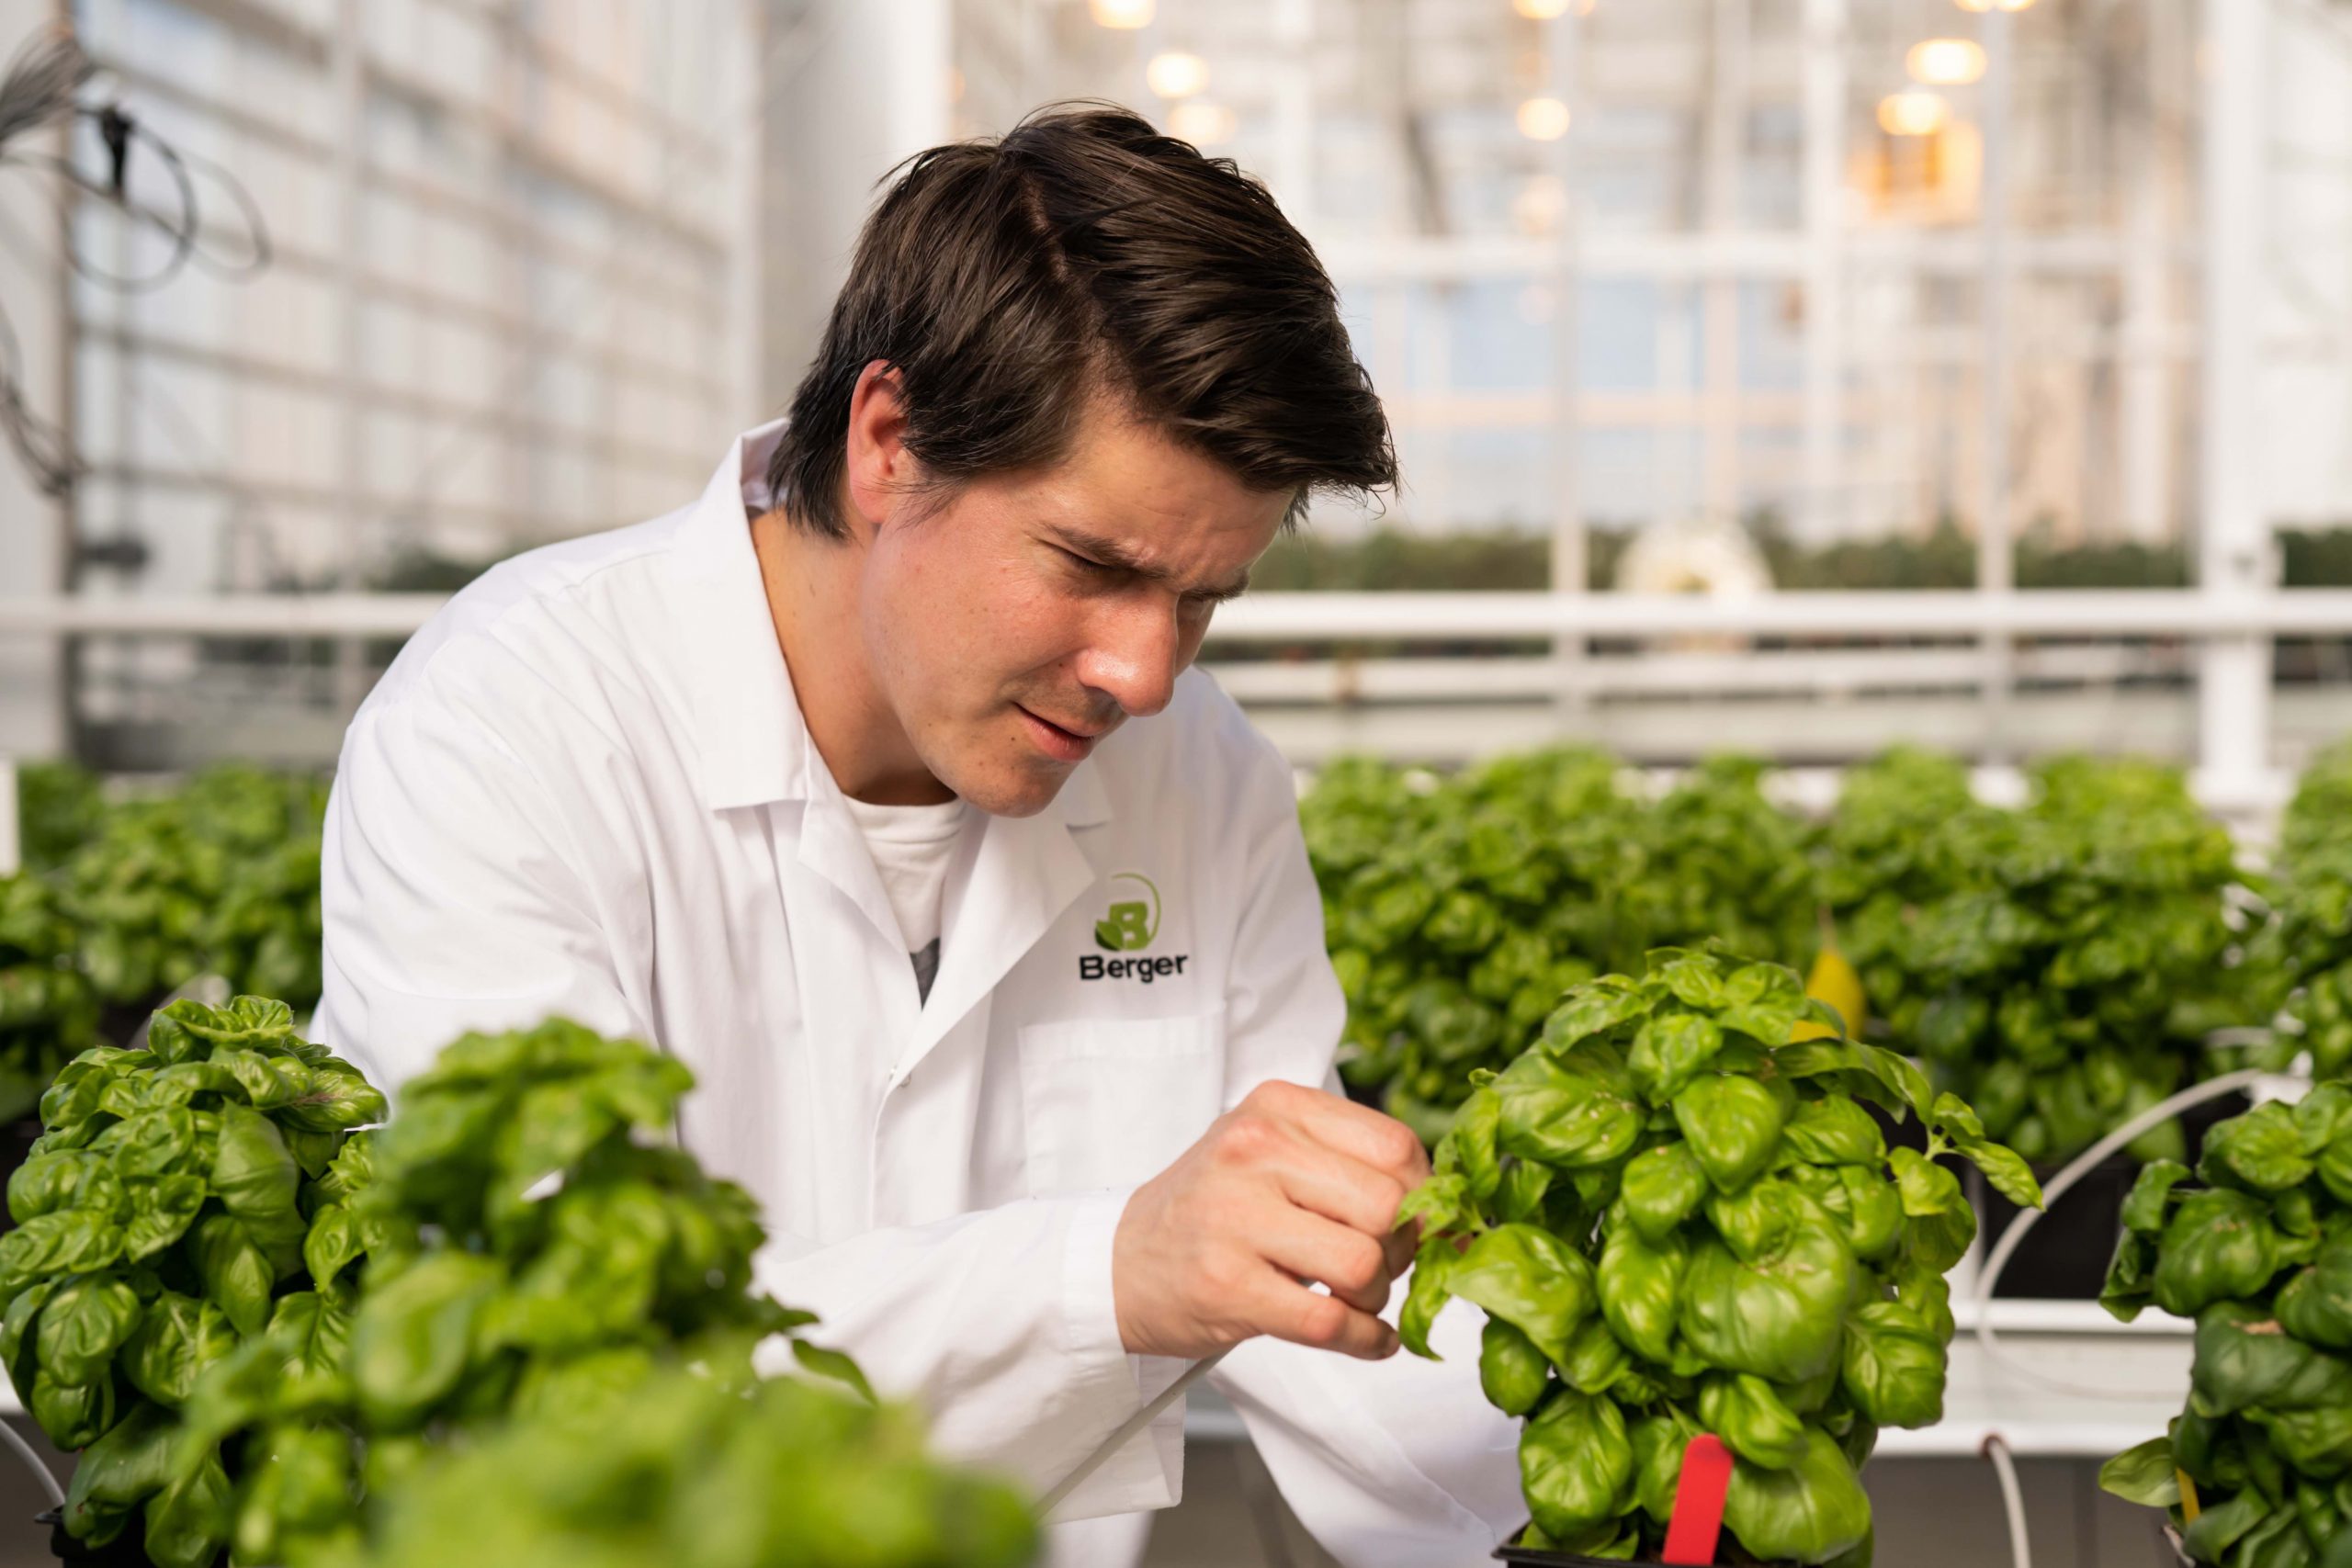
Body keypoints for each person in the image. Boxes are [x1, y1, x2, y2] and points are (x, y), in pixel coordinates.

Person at [316, 106, 1519, 1565]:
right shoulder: (513, 726)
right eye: (1093, 565)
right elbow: (560, 1379)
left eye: (1203, 600)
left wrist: (1661, 1433)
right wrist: (1108, 1275)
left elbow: (1316, 1318)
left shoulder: (1203, 780)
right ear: (891, 443)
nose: (1146, 673)